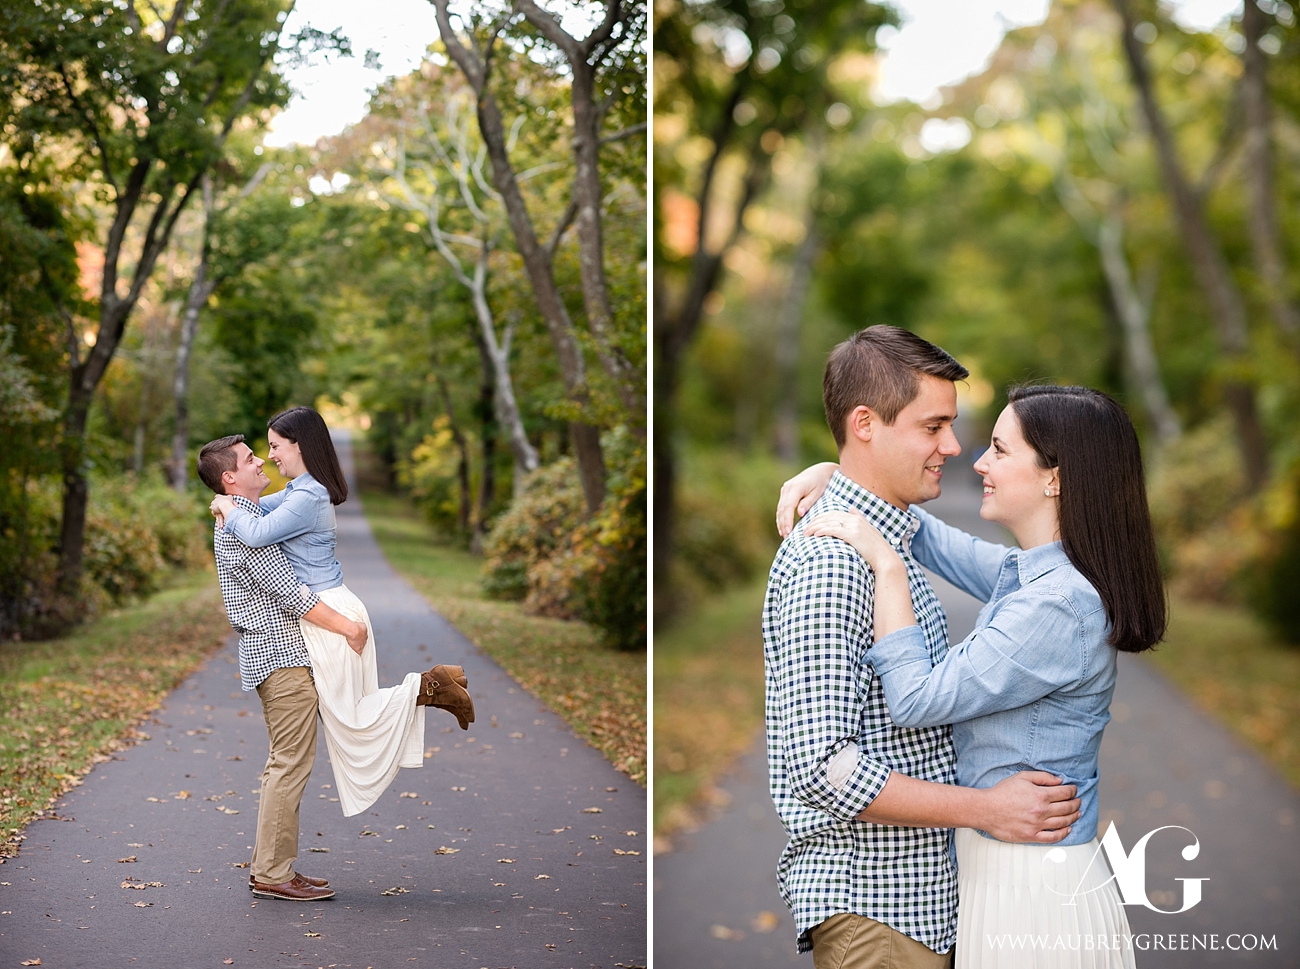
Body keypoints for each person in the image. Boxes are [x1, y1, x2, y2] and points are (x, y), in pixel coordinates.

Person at [782, 384, 1165, 969]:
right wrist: (843, 472)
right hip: (1006, 873)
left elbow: (915, 700)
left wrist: (886, 568)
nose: (977, 461)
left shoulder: (1058, 605)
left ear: (1054, 477)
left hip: (1034, 887)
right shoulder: (1037, 575)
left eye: (1000, 450)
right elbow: (933, 538)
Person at [763, 326, 1084, 969]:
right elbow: (822, 770)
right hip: (876, 912)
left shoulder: (889, 541)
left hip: (920, 910)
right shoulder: (831, 563)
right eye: (933, 427)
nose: (954, 447)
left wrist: (837, 473)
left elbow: (1012, 575)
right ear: (866, 424)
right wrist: (988, 809)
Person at [204, 409, 474, 822]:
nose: (268, 456)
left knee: (349, 716)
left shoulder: (306, 495)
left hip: (328, 610)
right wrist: (228, 501)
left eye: (275, 446)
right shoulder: (300, 492)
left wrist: (225, 502)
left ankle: (430, 686)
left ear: (300, 445)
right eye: (260, 452)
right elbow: (255, 510)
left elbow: (256, 531)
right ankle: (431, 685)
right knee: (351, 710)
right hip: (330, 606)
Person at [197, 433, 363, 901]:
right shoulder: (241, 523)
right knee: (289, 763)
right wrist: (347, 627)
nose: (260, 462)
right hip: (280, 656)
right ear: (231, 477)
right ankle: (272, 874)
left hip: (281, 654)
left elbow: (291, 500)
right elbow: (290, 592)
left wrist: (220, 501)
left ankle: (273, 867)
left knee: (288, 762)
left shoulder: (245, 512)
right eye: (251, 459)